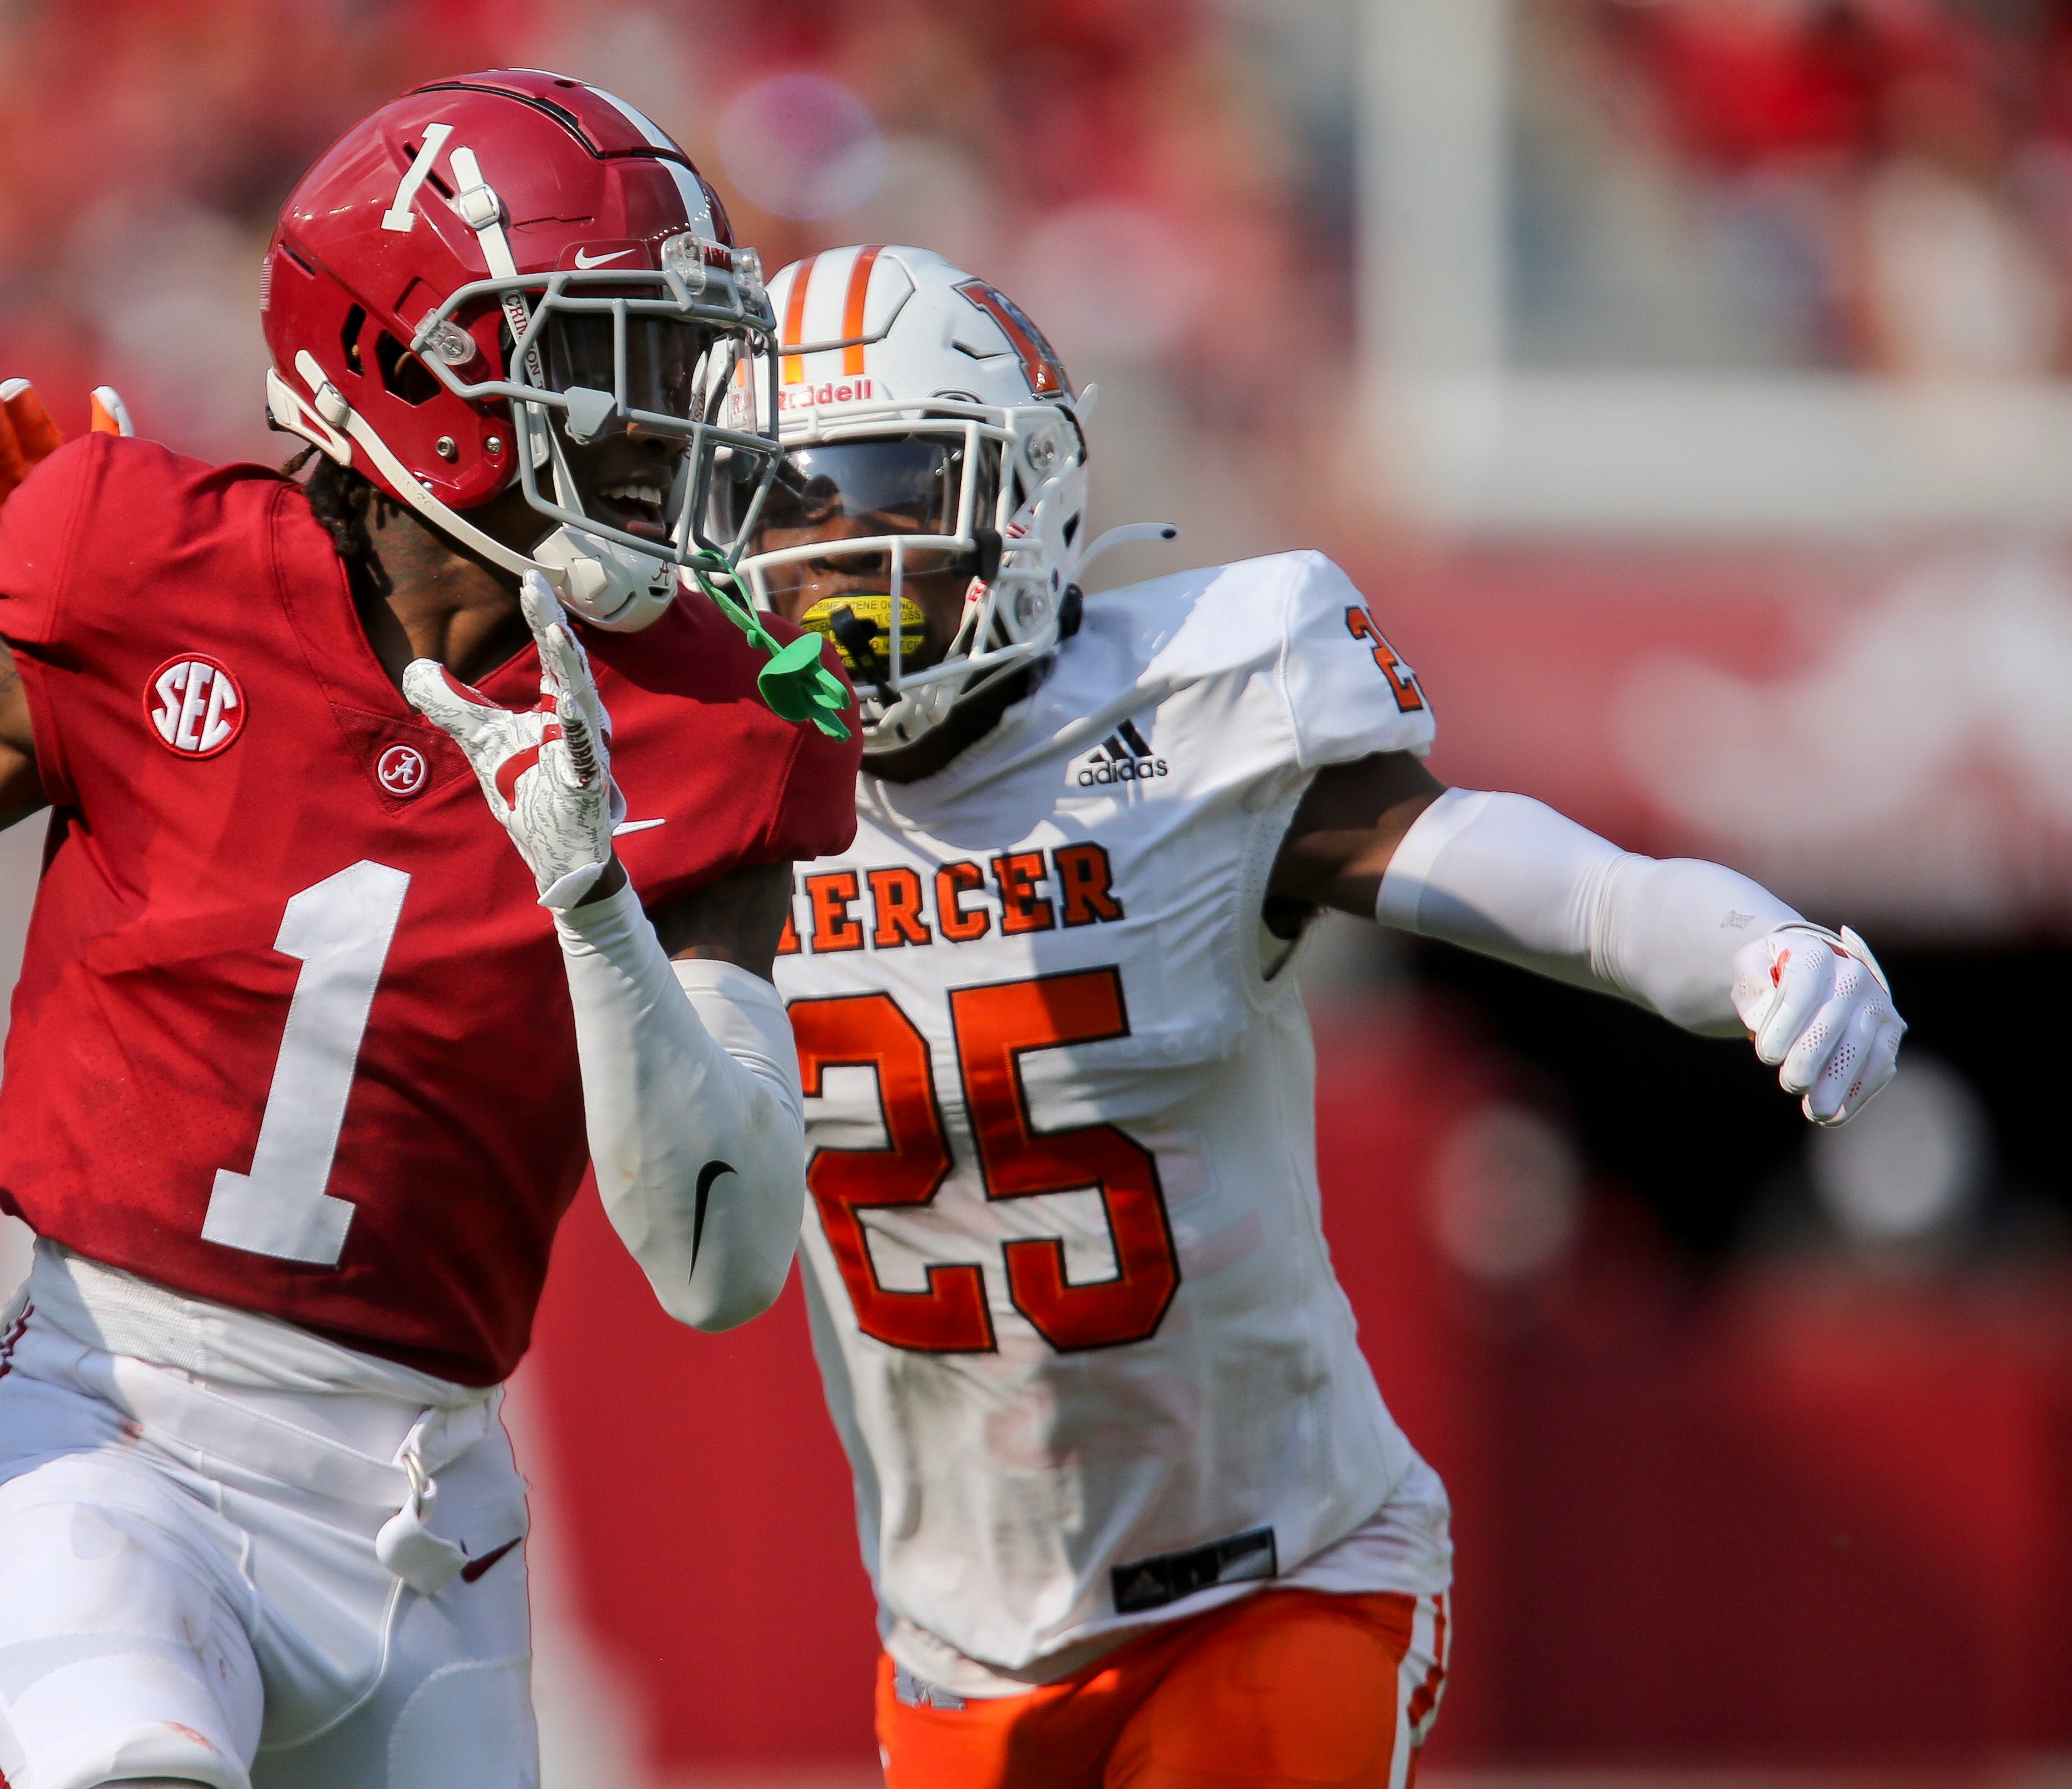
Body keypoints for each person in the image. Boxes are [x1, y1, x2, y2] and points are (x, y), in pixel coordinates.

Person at [0, 73, 860, 1789]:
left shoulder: (709, 715)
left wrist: (590, 905)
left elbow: (717, 1268)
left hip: (433, 1515)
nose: (666, 425)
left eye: (676, 365)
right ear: (407, 368)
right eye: (600, 361)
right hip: (121, 1438)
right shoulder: (146, 572)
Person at [722, 244, 1906, 1789]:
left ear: (1016, 501)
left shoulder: (1199, 715)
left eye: (883, 489)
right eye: (784, 504)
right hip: (955, 1643)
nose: (831, 560)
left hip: (1276, 1572)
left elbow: (1579, 897)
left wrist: (1755, 943)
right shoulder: (710, 791)